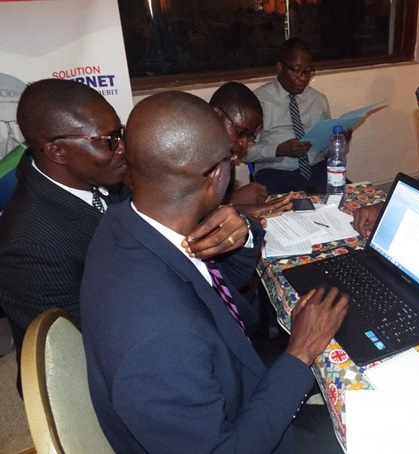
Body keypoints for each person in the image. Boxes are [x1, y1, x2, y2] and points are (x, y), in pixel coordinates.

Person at [80, 91, 349, 453]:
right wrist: (300, 351)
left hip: (220, 376)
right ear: (218, 173)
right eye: (232, 158)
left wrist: (244, 228)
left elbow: (216, 290)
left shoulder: (124, 223)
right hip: (236, 428)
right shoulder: (161, 342)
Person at [0, 79, 131, 392]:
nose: (123, 148)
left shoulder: (95, 178)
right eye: (108, 140)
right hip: (84, 378)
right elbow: (78, 344)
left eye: (119, 133)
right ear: (56, 151)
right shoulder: (30, 245)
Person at [247, 38, 331, 195]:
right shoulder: (258, 101)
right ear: (280, 68)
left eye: (308, 71)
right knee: (286, 207)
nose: (303, 78)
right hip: (277, 173)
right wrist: (278, 150)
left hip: (316, 168)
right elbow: (243, 151)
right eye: (296, 71)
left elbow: (325, 149)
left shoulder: (318, 100)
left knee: (350, 199)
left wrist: (337, 141)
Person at [209, 81, 293, 224]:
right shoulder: (187, 155)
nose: (244, 144)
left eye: (249, 137)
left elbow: (214, 212)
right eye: (240, 132)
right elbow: (181, 221)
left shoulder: (225, 156)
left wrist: (255, 208)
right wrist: (232, 199)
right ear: (216, 115)